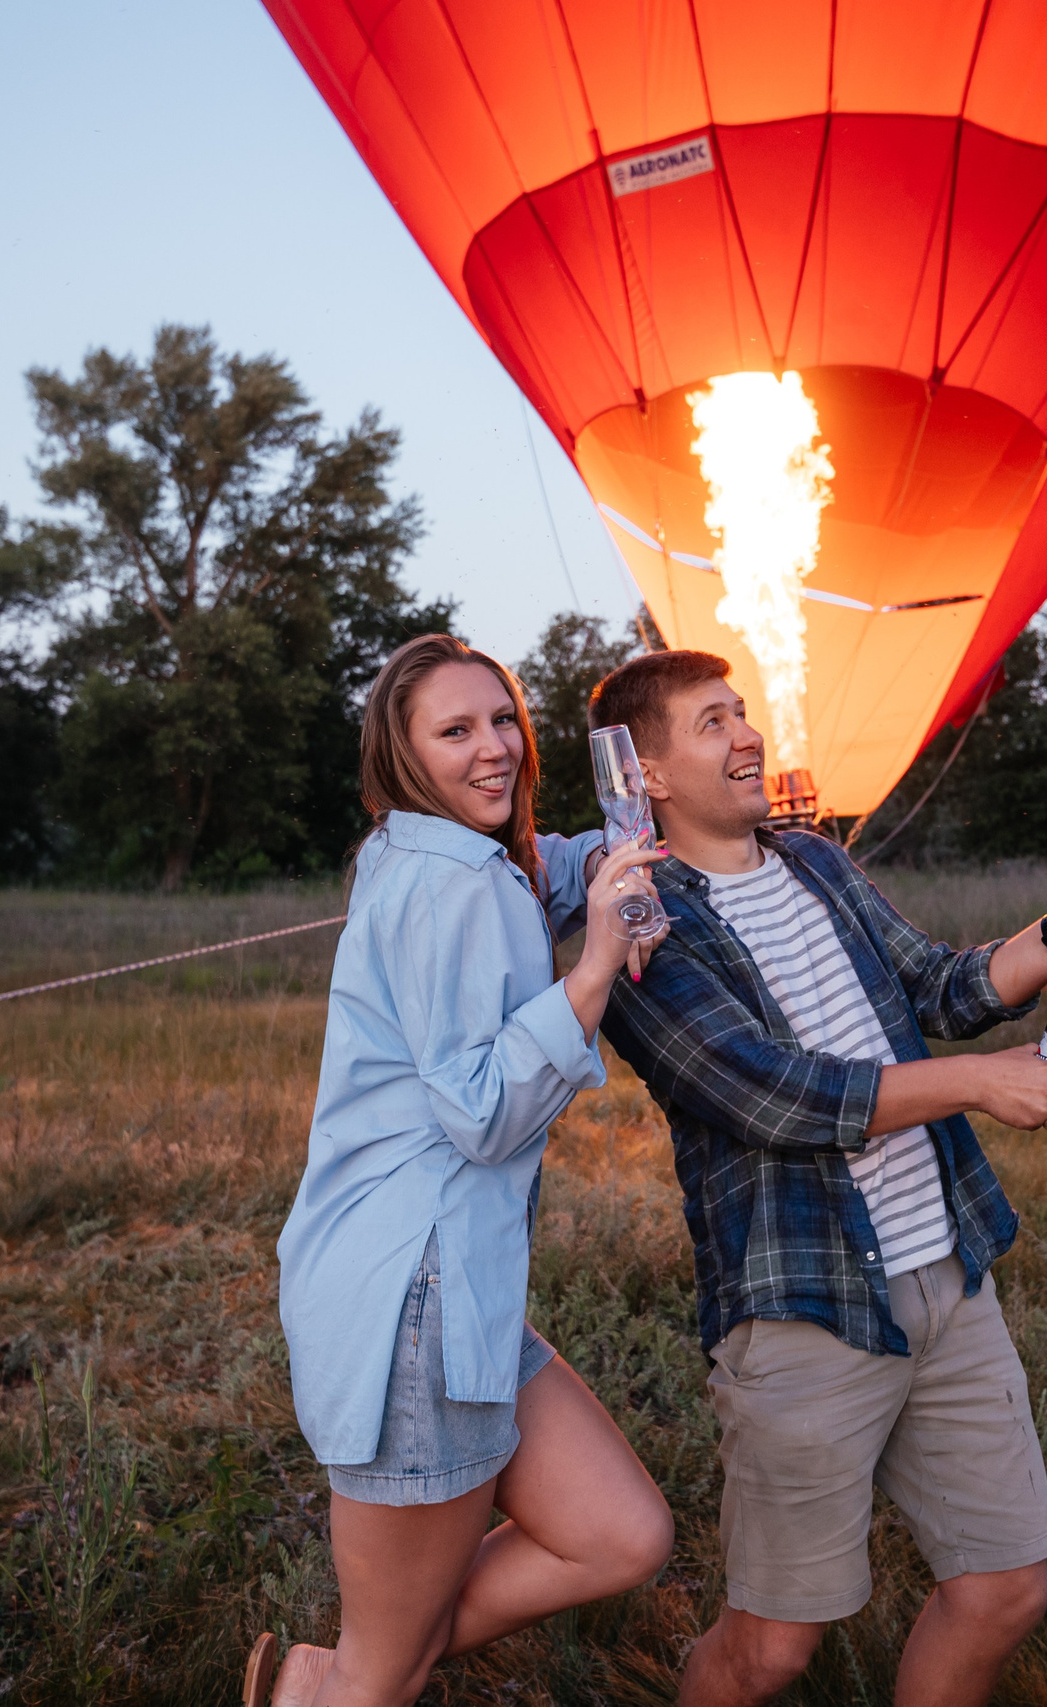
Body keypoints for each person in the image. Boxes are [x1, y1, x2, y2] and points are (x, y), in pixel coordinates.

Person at [589, 649, 1047, 1707]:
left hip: (947, 1272)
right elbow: (775, 1098)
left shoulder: (816, 864)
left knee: (1003, 1590)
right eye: (711, 723)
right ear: (648, 772)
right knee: (769, 1651)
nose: (745, 735)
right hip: (804, 1310)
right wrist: (980, 1084)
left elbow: (939, 985)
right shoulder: (643, 927)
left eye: (742, 713)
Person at [256, 633, 675, 1707]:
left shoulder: (440, 855)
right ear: (403, 757)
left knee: (618, 1534)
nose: (492, 749)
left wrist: (603, 854)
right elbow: (481, 1115)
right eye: (455, 732)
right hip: (418, 1301)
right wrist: (589, 970)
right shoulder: (454, 887)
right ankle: (342, 1685)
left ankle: (326, 1680)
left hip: (456, 1285)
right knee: (382, 1681)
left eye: (502, 720)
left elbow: (530, 872)